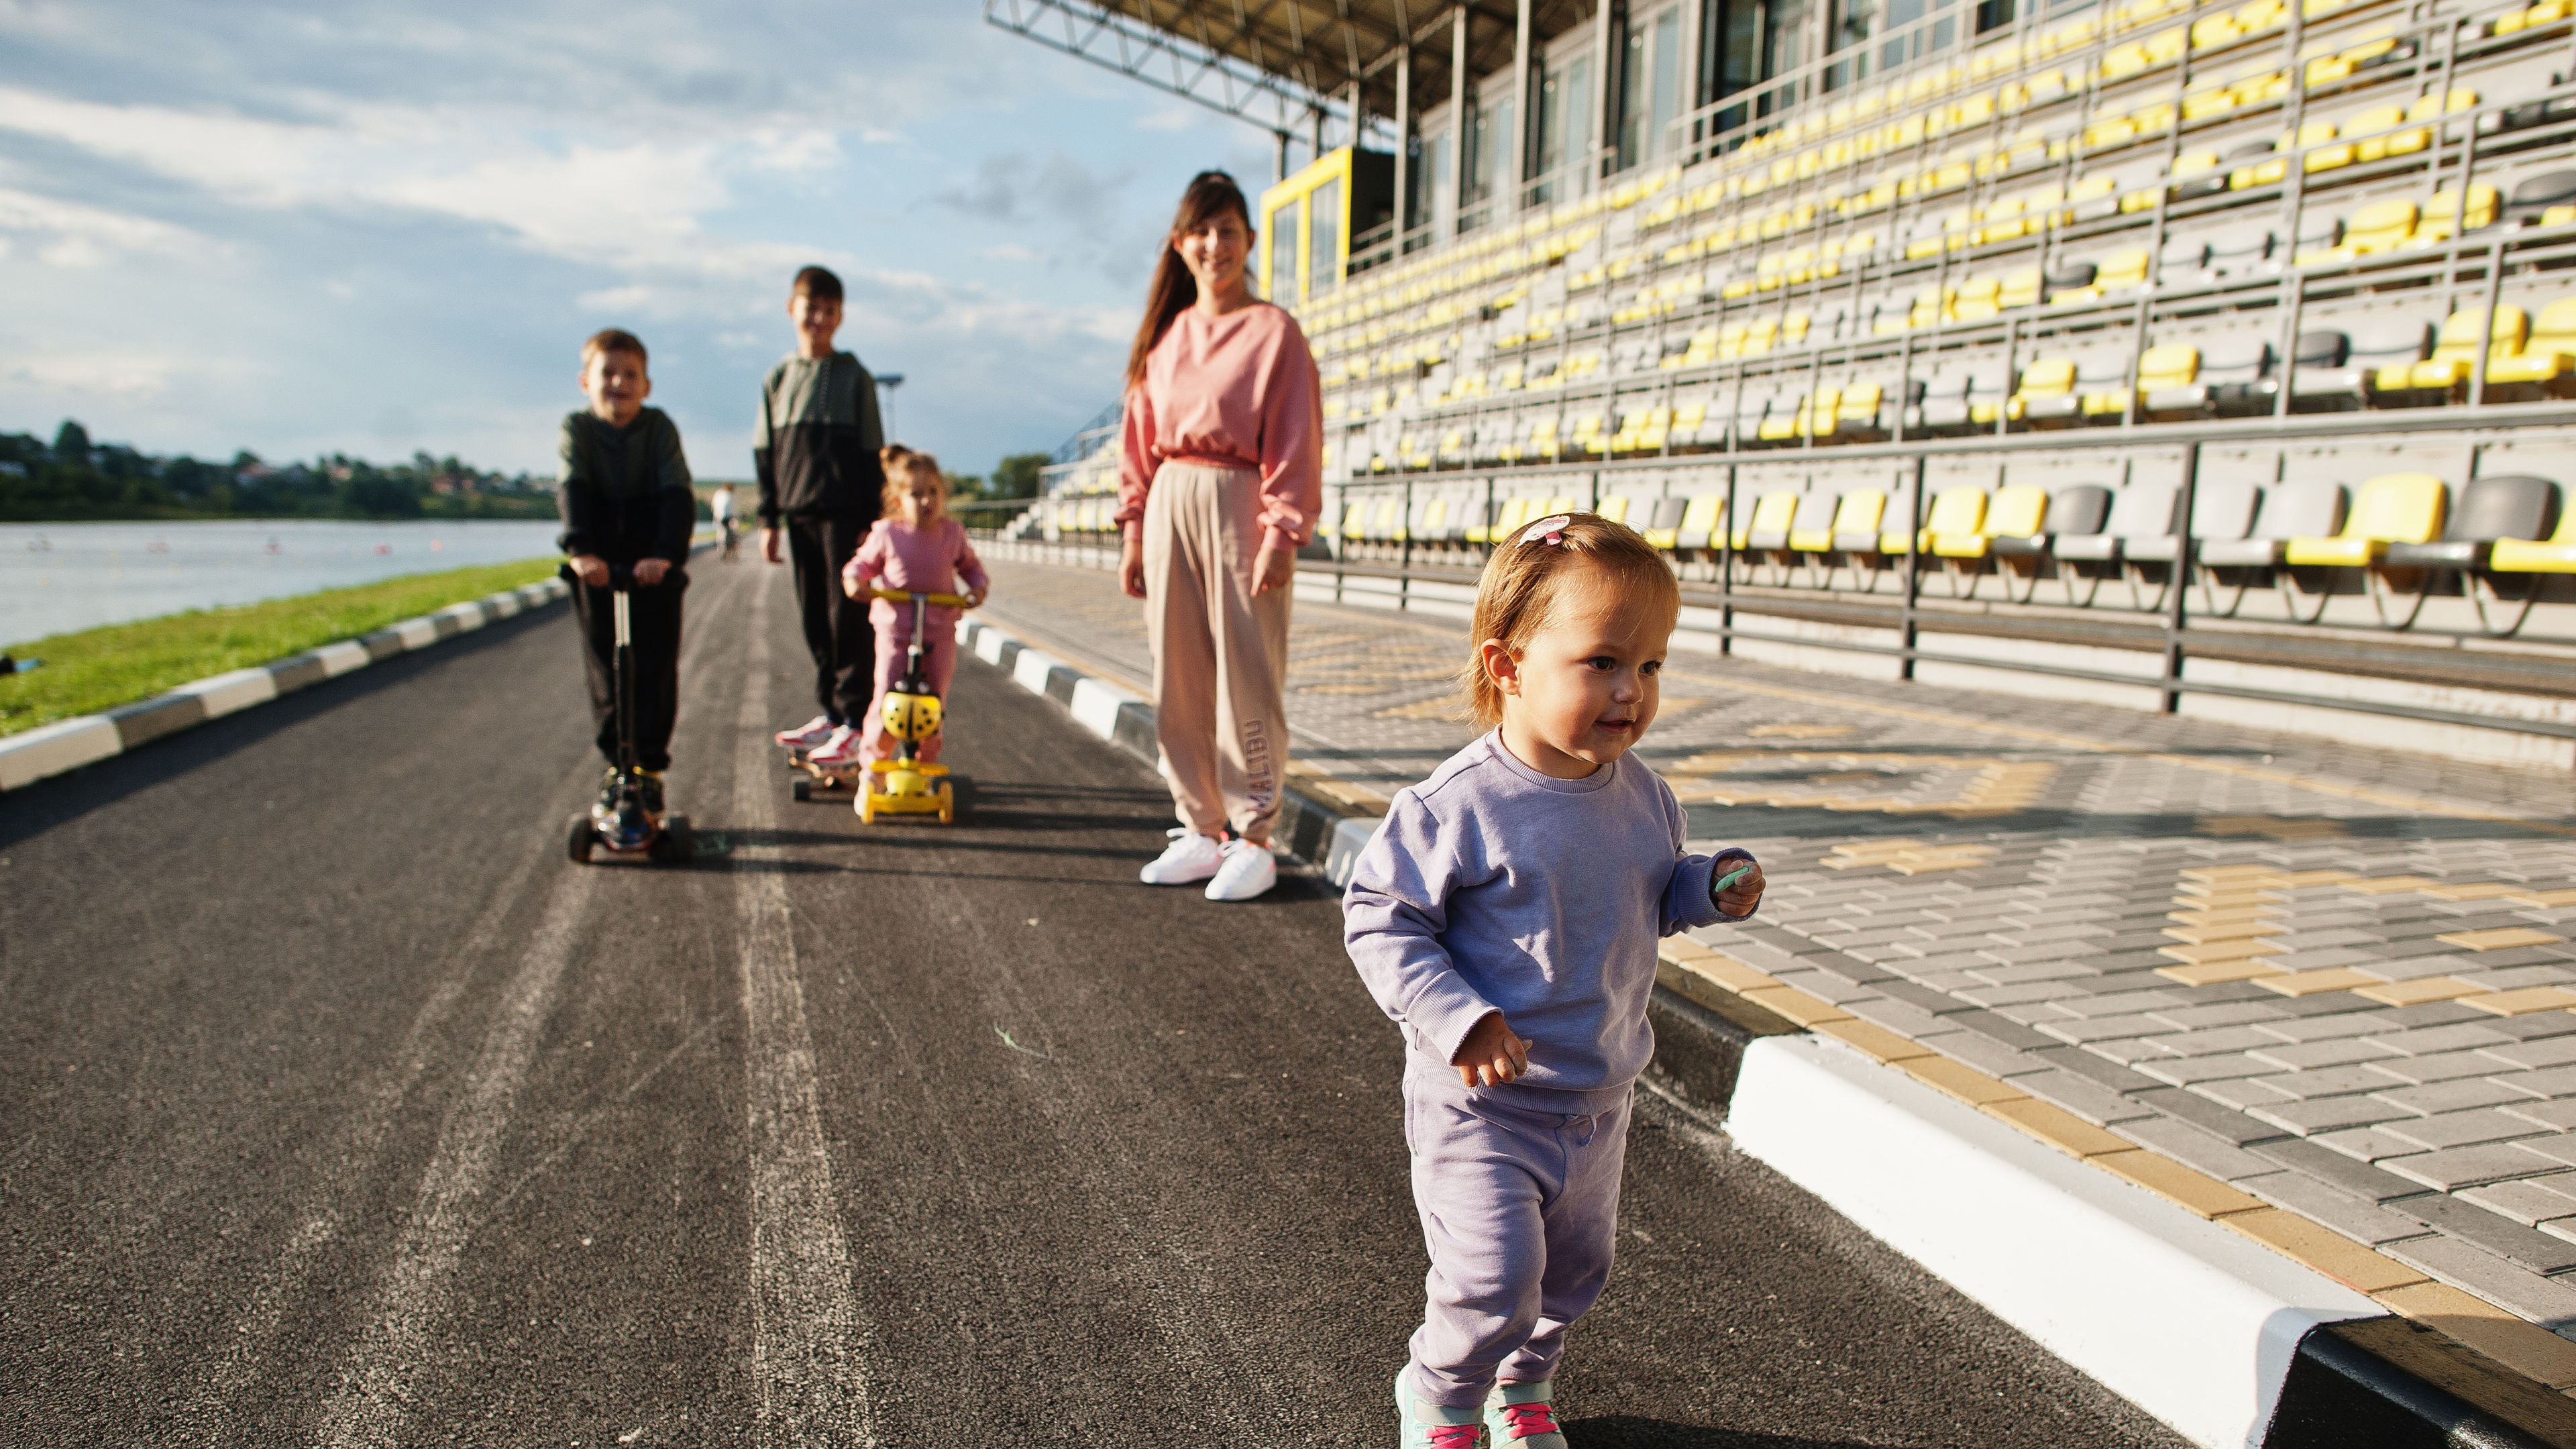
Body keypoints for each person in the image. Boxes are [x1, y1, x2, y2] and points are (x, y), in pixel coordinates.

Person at [1342, 513, 1768, 1449]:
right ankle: (1442, 1394)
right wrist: (1458, 1018)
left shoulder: (1647, 797)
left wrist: (1708, 888)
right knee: (1492, 1276)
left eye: (1652, 667)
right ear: (1507, 667)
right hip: (1482, 1103)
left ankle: (1519, 1390)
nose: (1633, 693)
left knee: (1574, 1273)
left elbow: (1646, 897)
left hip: (1599, 1095)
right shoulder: (1455, 807)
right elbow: (1379, 917)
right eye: (1603, 663)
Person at [1116, 170, 1322, 903]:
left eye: (1227, 230)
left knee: (1246, 670)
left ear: (1248, 239)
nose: (1214, 245)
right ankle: (1200, 826)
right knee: (1179, 670)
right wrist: (1135, 529)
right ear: (1180, 244)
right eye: (1200, 232)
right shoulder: (1165, 338)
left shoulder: (1274, 332)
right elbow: (1138, 440)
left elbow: (1296, 436)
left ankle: (1253, 832)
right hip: (1170, 494)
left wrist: (1283, 529)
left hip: (1240, 500)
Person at [555, 328, 696, 816]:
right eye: (608, 374)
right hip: (597, 563)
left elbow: (677, 496)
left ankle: (651, 768)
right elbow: (572, 487)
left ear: (647, 385)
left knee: (654, 667)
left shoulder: (659, 429)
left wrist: (665, 554)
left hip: (651, 563)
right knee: (605, 668)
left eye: (630, 375)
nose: (619, 383)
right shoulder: (578, 429)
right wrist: (580, 551)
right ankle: (617, 766)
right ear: (585, 381)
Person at [755, 264, 885, 766]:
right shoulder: (778, 378)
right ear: (793, 310)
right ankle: (831, 714)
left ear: (841, 316)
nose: (820, 318)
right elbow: (765, 454)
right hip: (798, 513)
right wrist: (769, 519)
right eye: (812, 308)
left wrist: (871, 523)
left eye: (830, 311)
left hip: (846, 516)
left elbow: (873, 453)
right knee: (814, 619)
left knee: (846, 618)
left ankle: (856, 720)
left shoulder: (855, 376)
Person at [840, 445, 990, 803]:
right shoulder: (888, 533)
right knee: (887, 700)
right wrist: (855, 582)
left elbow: (970, 566)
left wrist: (978, 588)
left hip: (939, 630)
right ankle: (873, 771)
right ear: (896, 500)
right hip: (896, 630)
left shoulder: (952, 533)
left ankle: (923, 767)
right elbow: (860, 567)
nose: (926, 502)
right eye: (916, 494)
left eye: (933, 492)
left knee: (932, 703)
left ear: (944, 493)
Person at [711, 481, 740, 559]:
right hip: (724, 517)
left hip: (726, 517)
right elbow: (716, 506)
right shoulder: (725, 495)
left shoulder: (721, 494)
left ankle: (728, 550)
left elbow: (734, 508)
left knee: (728, 533)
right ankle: (725, 550)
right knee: (724, 534)